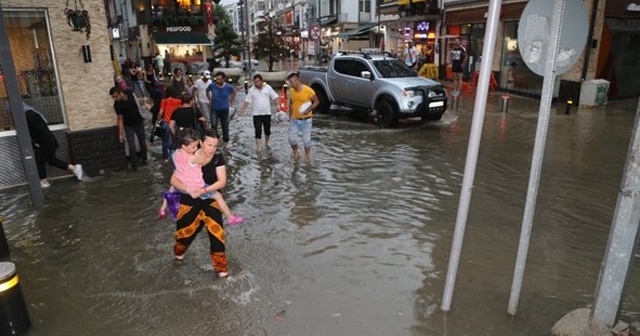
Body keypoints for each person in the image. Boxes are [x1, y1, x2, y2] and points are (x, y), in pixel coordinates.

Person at [169, 129, 243, 278]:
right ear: (200, 143)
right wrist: (189, 190)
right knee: (185, 236)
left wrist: (203, 191)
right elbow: (173, 180)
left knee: (217, 234)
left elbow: (221, 182)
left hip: (210, 199)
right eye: (209, 145)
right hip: (189, 200)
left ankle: (222, 270)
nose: (212, 149)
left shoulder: (217, 157)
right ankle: (179, 253)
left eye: (215, 146)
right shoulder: (188, 156)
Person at [23, 102, 83, 188]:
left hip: (44, 142)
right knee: (49, 160)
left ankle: (44, 181)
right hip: (46, 141)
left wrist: (37, 143)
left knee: (41, 160)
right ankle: (74, 168)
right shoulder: (31, 113)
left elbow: (37, 131)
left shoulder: (29, 115)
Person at [110, 86, 148, 170]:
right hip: (128, 126)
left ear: (121, 93)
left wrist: (143, 114)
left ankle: (145, 160)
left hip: (139, 122)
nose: (115, 99)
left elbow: (138, 104)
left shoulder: (130, 93)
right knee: (131, 146)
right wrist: (120, 134)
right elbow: (120, 119)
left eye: (116, 96)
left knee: (142, 143)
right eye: (113, 97)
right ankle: (134, 165)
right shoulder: (117, 105)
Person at [238, 74, 279, 151]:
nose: (256, 84)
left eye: (257, 82)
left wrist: (278, 105)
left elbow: (275, 96)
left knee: (267, 130)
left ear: (261, 81)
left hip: (267, 113)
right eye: (254, 82)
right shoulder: (251, 90)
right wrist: (243, 109)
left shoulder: (268, 88)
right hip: (256, 114)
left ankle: (266, 142)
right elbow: (247, 100)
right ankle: (259, 147)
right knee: (258, 131)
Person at [286, 72, 318, 159]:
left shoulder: (308, 90)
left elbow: (316, 102)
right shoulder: (291, 90)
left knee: (306, 141)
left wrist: (308, 110)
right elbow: (291, 102)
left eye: (291, 82)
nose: (290, 84)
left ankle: (307, 156)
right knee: (292, 140)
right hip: (294, 119)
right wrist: (289, 116)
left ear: (297, 81)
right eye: (289, 82)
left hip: (306, 120)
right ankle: (296, 152)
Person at [206, 71, 236, 145]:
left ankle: (225, 141)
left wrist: (230, 102)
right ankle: (215, 140)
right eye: (216, 79)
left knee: (225, 125)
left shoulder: (229, 87)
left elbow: (234, 92)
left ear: (223, 79)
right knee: (213, 125)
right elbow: (207, 91)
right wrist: (209, 99)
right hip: (214, 109)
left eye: (219, 79)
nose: (217, 81)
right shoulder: (212, 85)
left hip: (224, 109)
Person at [157, 88, 182, 162]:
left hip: (166, 123)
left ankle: (165, 158)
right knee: (175, 139)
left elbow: (160, 112)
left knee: (165, 140)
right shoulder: (179, 101)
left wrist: (158, 121)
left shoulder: (164, 101)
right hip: (175, 123)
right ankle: (175, 155)